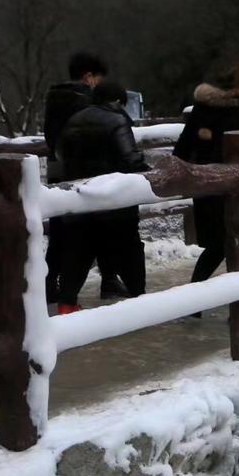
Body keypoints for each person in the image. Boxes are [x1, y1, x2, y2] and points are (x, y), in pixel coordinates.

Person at [55, 81, 149, 314]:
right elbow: (130, 159)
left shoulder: (74, 120)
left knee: (78, 252)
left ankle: (67, 303)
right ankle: (141, 301)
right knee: (129, 250)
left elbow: (60, 153)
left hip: (80, 198)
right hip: (113, 199)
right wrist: (148, 173)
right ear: (117, 101)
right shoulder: (117, 120)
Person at [42, 52, 125, 302]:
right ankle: (101, 282)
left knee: (62, 231)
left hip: (59, 171)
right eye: (99, 78)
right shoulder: (84, 102)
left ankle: (52, 282)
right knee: (96, 229)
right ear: (89, 77)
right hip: (85, 173)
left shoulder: (56, 98)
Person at [173, 61, 239, 291]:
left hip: (206, 184)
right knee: (238, 241)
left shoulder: (203, 108)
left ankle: (199, 296)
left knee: (218, 244)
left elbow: (182, 148)